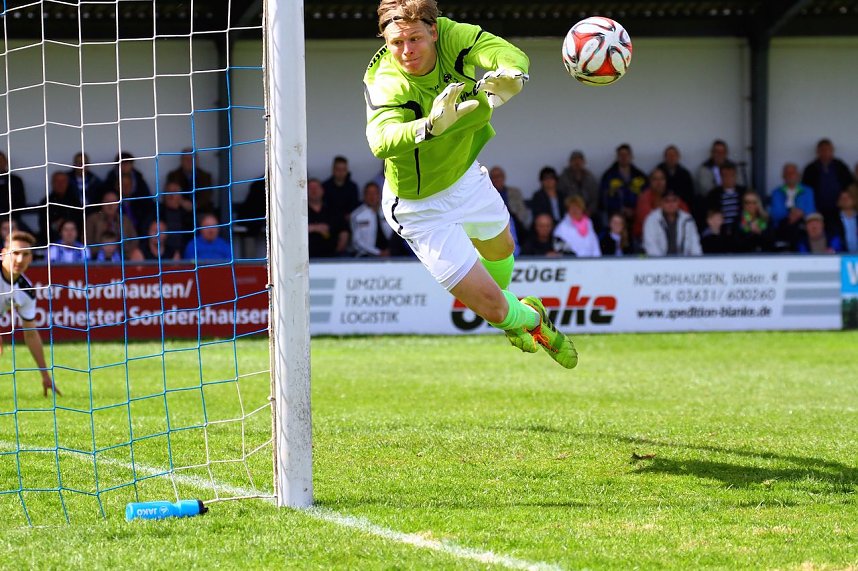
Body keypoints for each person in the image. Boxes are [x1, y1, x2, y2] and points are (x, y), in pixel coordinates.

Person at [364, 0, 576, 368]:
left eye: (414, 39)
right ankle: (529, 320)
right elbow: (380, 140)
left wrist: (511, 72)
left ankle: (505, 308)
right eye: (396, 42)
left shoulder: (453, 36)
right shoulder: (385, 80)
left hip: (464, 176)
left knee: (501, 248)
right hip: (419, 207)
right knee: (494, 307)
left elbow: (505, 53)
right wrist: (427, 127)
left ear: (434, 30)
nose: (406, 51)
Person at [0, 231, 61, 396]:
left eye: (25, 254)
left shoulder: (26, 291)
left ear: (31, 258)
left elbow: (31, 335)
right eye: (15, 253)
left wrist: (45, 375)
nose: (20, 260)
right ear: (3, 253)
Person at [801, 138, 853, 226]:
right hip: (818, 208)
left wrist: (845, 201)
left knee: (839, 230)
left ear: (832, 151)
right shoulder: (810, 168)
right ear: (818, 152)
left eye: (828, 149)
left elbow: (849, 184)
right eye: (823, 150)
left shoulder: (840, 165)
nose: (826, 152)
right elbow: (805, 190)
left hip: (839, 208)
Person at [633, 167, 689, 243]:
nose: (659, 182)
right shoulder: (644, 197)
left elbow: (685, 215)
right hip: (644, 238)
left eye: (662, 179)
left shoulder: (671, 195)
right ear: (650, 182)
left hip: (670, 238)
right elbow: (648, 221)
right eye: (655, 179)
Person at [769, 162, 816, 252]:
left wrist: (801, 213)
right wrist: (790, 214)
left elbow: (811, 210)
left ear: (798, 176)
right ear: (783, 176)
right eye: (787, 173)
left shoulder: (808, 191)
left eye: (793, 173)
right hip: (783, 226)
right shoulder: (776, 192)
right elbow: (775, 213)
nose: (790, 176)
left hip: (803, 226)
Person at [84, 190, 143, 261]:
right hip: (96, 259)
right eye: (107, 201)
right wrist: (105, 249)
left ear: (118, 204)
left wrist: (123, 251)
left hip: (124, 258)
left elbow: (134, 241)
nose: (110, 205)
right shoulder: (93, 219)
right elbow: (86, 241)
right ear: (102, 203)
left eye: (114, 202)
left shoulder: (125, 220)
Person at [642, 188, 701, 256]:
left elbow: (695, 244)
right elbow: (650, 245)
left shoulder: (687, 219)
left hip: (684, 262)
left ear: (678, 202)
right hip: (659, 262)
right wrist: (662, 263)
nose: (671, 204)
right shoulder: (652, 219)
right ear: (661, 202)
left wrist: (697, 262)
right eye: (667, 201)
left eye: (674, 200)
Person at [599, 143, 647, 227]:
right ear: (617, 157)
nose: (624, 157)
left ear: (631, 157)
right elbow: (604, 198)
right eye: (621, 155)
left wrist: (634, 210)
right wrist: (621, 209)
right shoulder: (608, 176)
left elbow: (646, 195)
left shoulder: (640, 176)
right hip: (615, 215)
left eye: (626, 154)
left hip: (636, 215)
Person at [307, 177, 349, 258]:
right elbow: (294, 230)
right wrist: (314, 228)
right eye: (310, 188)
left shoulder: (333, 210)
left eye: (316, 187)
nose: (313, 190)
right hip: (307, 259)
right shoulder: (299, 213)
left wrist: (337, 251)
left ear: (322, 190)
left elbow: (344, 231)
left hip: (333, 257)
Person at [37, 171, 82, 246]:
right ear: (52, 183)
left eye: (63, 181)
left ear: (68, 183)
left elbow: (80, 221)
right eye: (57, 181)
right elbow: (43, 224)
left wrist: (65, 223)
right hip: (52, 239)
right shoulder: (46, 202)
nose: (60, 184)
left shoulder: (75, 201)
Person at [166, 148, 215, 213]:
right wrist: (182, 202)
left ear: (197, 160)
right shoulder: (173, 175)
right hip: (179, 209)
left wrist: (195, 205)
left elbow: (206, 195)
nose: (189, 161)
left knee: (210, 221)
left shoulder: (205, 176)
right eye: (186, 159)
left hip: (201, 210)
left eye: (192, 158)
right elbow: (170, 194)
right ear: (181, 160)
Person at [350, 181, 392, 257]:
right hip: (366, 256)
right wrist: (378, 253)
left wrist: (391, 250)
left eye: (375, 193)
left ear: (380, 195)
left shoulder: (389, 212)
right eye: (369, 193)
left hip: (391, 254)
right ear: (364, 196)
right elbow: (356, 241)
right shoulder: (356, 215)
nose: (372, 196)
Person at [489, 165, 530, 239]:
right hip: (496, 225)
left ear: (504, 177)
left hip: (515, 222)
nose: (497, 179)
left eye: (499, 176)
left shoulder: (515, 192)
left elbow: (522, 210)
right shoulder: (487, 194)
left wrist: (516, 220)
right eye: (494, 177)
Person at [557, 150, 599, 220]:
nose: (577, 162)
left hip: (588, 213)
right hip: (570, 213)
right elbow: (560, 197)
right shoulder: (563, 178)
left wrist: (589, 211)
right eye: (574, 160)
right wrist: (572, 211)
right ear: (570, 162)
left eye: (579, 160)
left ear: (584, 162)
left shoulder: (590, 177)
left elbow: (595, 198)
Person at [704, 163, 747, 231]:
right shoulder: (713, 195)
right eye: (725, 176)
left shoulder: (744, 193)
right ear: (720, 177)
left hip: (741, 230)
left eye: (732, 175)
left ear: (735, 176)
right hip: (720, 231)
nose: (729, 178)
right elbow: (710, 215)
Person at [322, 155, 361, 224]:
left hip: (349, 222)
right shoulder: (325, 187)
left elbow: (355, 206)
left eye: (344, 170)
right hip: (330, 222)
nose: (341, 173)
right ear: (333, 170)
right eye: (338, 169)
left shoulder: (352, 187)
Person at [656, 144, 695, 211]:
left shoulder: (685, 174)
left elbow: (690, 194)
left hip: (680, 205)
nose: (671, 158)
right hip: (661, 204)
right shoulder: (658, 172)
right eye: (669, 155)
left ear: (678, 157)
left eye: (674, 155)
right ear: (664, 157)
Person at [159, 181, 195, 253]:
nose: (171, 195)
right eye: (168, 191)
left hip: (185, 252)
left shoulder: (187, 214)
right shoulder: (157, 211)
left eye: (174, 191)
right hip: (163, 252)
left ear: (181, 196)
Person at [0, 151, 28, 229]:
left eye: (1, 160)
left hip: (13, 219)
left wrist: (10, 217)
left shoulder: (15, 180)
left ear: (6, 162)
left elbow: (21, 201)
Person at [831, 189, 858, 254]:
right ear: (838, 202)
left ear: (854, 200)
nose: (845, 200)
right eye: (842, 198)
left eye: (848, 197)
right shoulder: (833, 221)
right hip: (842, 254)